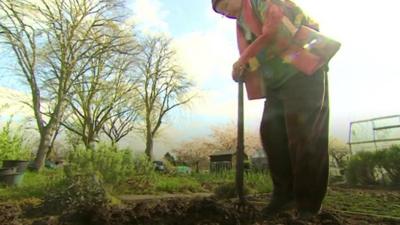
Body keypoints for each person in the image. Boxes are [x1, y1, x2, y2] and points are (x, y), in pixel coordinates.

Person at [211, 0, 330, 220]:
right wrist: (242, 68)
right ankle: (284, 197)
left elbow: (278, 32)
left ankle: (308, 205)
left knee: (305, 136)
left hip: (304, 70)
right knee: (272, 134)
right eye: (222, 11)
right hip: (277, 82)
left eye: (226, 3)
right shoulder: (241, 24)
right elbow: (253, 55)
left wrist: (244, 59)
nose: (227, 11)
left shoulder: (263, 2)